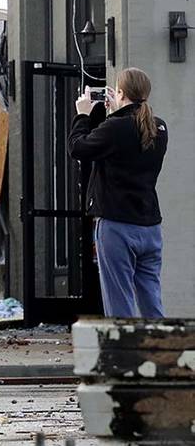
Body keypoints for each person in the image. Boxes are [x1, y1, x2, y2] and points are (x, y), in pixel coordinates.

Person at [68, 67, 168, 318]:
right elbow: (127, 139)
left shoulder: (115, 128)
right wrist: (115, 112)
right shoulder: (159, 128)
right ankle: (163, 354)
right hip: (150, 226)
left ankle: (124, 357)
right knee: (151, 300)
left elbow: (78, 148)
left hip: (117, 225)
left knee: (119, 302)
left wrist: (82, 115)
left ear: (120, 92)